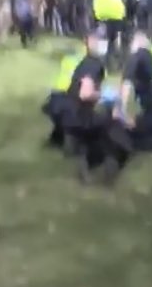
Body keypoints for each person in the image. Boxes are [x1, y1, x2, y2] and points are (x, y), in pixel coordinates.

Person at [42, 29, 132, 183]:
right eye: (97, 40)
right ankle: (107, 162)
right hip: (79, 115)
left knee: (102, 128)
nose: (101, 43)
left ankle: (81, 150)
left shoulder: (84, 62)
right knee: (117, 131)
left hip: (66, 112)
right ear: (89, 42)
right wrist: (104, 95)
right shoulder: (94, 64)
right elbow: (85, 94)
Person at [93, 0, 126, 68]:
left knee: (105, 43)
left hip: (106, 22)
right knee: (114, 43)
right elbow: (122, 8)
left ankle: (104, 63)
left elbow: (97, 10)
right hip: (116, 21)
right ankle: (116, 63)